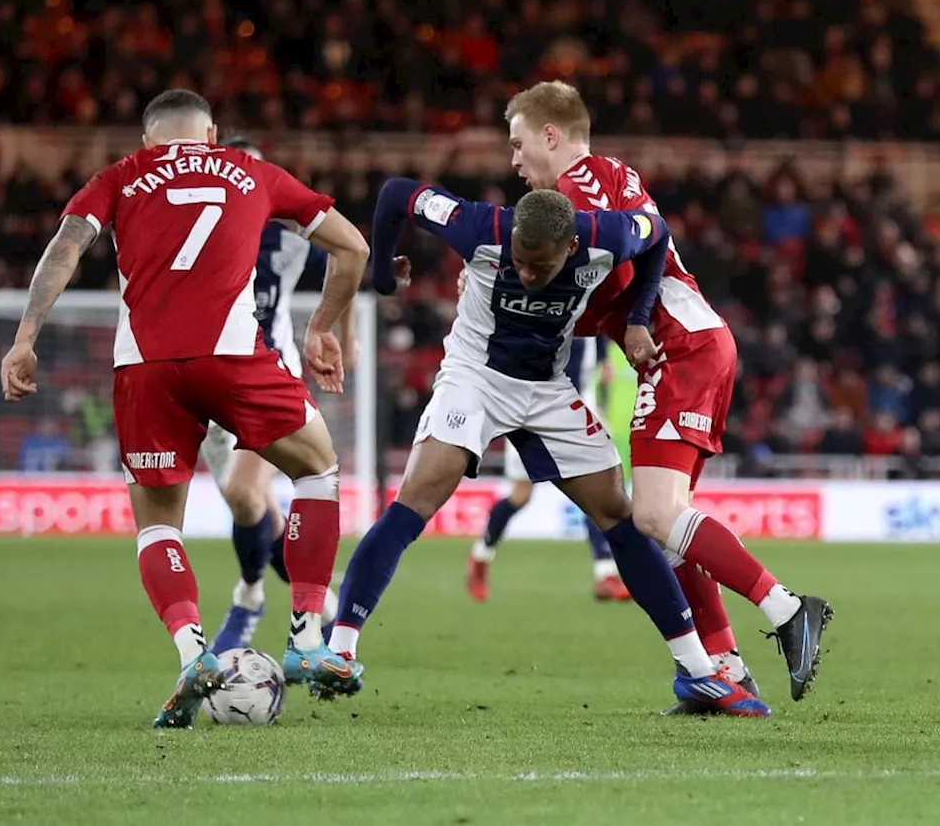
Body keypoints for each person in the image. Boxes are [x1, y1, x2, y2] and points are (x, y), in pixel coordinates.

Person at [327, 177, 772, 717]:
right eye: (519, 260)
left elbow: (658, 235)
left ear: (572, 248)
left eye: (541, 265)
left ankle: (698, 673)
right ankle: (340, 649)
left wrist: (637, 319)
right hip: (476, 378)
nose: (528, 274)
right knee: (415, 500)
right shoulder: (479, 225)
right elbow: (396, 192)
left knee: (620, 516)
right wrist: (381, 276)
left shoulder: (606, 233)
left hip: (547, 390)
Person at [0, 90, 370, 727]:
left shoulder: (119, 176)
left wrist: (26, 336)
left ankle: (192, 653)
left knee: (158, 524)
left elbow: (64, 248)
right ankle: (309, 637)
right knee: (316, 469)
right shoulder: (251, 170)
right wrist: (323, 327)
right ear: (212, 134)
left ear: (149, 141)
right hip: (231, 356)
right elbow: (355, 248)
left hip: (144, 368)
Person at [505, 80, 832, 713]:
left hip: (678, 347)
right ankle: (725, 671)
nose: (514, 160)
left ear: (551, 136)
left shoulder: (571, 199)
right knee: (668, 523)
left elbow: (627, 265)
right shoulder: (608, 176)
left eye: (519, 145)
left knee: (652, 517)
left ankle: (789, 608)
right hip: (692, 340)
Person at [199, 137, 343, 652]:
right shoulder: (191, 237)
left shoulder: (286, 237)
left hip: (266, 379)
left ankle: (250, 594)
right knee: (255, 509)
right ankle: (323, 604)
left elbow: (343, 252)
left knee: (243, 493)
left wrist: (335, 330)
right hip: (203, 383)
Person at [467, 336, 632, 603]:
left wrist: (604, 362)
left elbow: (602, 353)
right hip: (533, 413)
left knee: (599, 493)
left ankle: (606, 574)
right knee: (521, 495)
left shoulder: (589, 309)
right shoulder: (548, 308)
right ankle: (480, 558)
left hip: (582, 415)